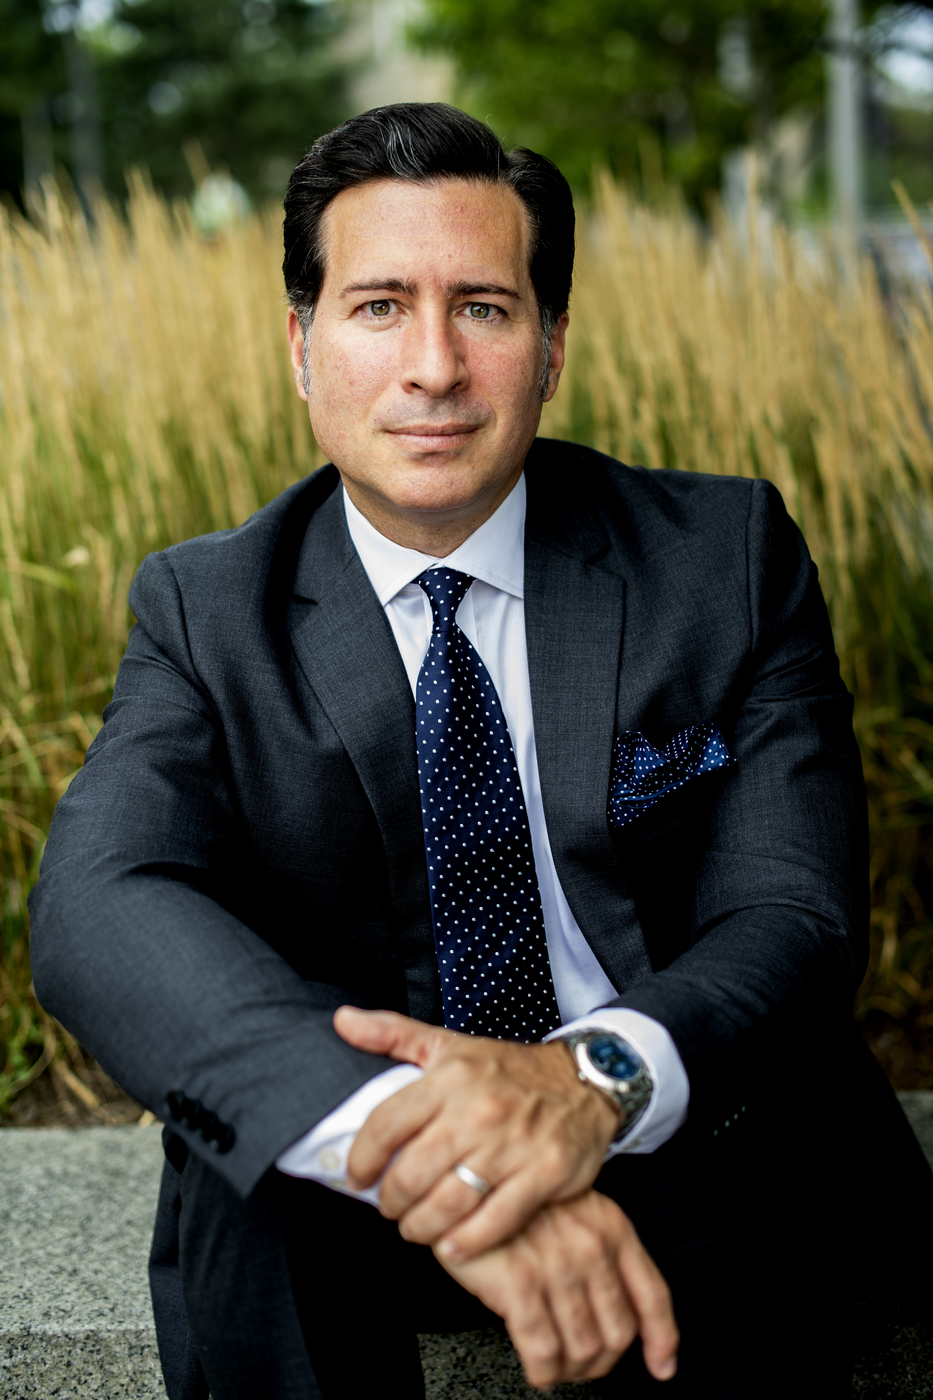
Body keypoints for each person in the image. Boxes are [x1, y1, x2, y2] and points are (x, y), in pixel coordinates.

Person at [28, 103, 932, 1400]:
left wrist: (583, 1086)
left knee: (709, 1207)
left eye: (486, 310)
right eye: (380, 306)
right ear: (301, 347)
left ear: (551, 347)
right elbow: (99, 902)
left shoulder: (717, 559)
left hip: (668, 1110)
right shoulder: (206, 608)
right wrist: (432, 1141)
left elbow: (788, 912)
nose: (434, 367)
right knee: (245, 1182)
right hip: (361, 1155)